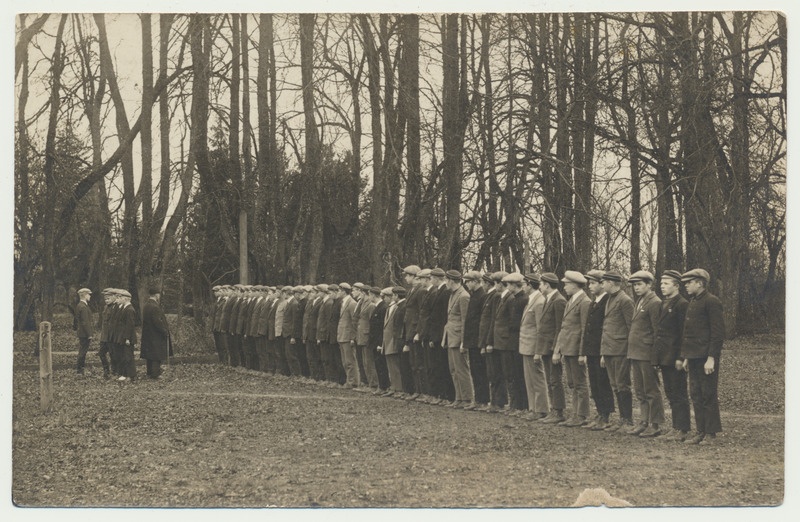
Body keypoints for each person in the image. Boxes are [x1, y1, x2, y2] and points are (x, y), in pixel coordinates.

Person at [680, 268, 724, 445]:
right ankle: (700, 431)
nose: (687, 286)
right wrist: (686, 357)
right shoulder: (693, 302)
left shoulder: (711, 301)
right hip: (694, 357)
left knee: (708, 394)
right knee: (696, 394)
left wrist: (711, 357)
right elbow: (688, 333)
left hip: (706, 358)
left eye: (689, 283)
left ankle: (711, 433)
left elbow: (717, 333)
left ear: (700, 283)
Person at [626, 270, 666, 437]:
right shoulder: (640, 301)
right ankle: (644, 421)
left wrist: (655, 356)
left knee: (651, 389)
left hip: (647, 353)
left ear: (649, 285)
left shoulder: (654, 302)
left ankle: (655, 424)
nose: (636, 287)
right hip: (635, 352)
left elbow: (658, 331)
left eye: (640, 284)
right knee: (640, 389)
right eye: (634, 285)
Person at [655, 270, 691, 441]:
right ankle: (675, 426)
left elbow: (684, 333)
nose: (662, 286)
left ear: (677, 286)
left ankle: (682, 429)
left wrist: (681, 357)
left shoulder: (681, 304)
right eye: (661, 284)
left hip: (674, 357)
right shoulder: (664, 303)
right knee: (670, 392)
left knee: (679, 392)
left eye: (666, 283)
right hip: (664, 356)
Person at [553, 271, 591, 427]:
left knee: (580, 382)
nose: (564, 287)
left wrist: (582, 352)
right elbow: (564, 328)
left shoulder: (584, 302)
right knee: (572, 383)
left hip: (576, 349)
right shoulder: (571, 301)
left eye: (567, 284)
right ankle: (575, 413)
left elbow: (584, 329)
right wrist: (558, 349)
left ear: (575, 285)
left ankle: (581, 415)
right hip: (568, 348)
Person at [600, 270, 635, 431]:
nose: (602, 284)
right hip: (609, 349)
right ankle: (622, 419)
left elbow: (631, 327)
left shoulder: (625, 300)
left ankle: (627, 420)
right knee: (615, 385)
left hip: (620, 350)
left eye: (604, 281)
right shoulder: (610, 299)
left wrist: (629, 351)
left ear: (612, 283)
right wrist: (603, 352)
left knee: (622, 385)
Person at [582, 270, 615, 430]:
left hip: (601, 349)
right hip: (591, 349)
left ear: (602, 284)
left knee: (603, 382)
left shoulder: (607, 301)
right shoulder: (594, 302)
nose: (590, 286)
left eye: (593, 283)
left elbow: (605, 328)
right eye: (589, 283)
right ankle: (599, 412)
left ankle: (605, 415)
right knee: (594, 382)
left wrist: (603, 351)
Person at [536, 272, 567, 423]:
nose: (540, 287)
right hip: (546, 347)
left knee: (555, 380)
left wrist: (557, 350)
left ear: (547, 285)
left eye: (541, 284)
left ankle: (558, 411)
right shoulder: (549, 299)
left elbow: (559, 328)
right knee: (550, 379)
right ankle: (554, 409)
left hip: (552, 348)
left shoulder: (559, 301)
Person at [442, 270, 474, 409]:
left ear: (452, 281)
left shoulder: (463, 296)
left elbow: (465, 320)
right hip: (451, 337)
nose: (445, 283)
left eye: (447, 280)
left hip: (458, 338)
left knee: (462, 369)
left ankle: (467, 398)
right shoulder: (453, 294)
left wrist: (463, 341)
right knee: (453, 369)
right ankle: (459, 397)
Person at [519, 273, 547, 420]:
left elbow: (540, 328)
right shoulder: (532, 300)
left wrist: (538, 351)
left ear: (530, 285)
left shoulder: (539, 302)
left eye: (524, 284)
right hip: (526, 345)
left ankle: (541, 409)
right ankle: (533, 408)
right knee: (529, 379)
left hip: (533, 347)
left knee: (536, 378)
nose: (522, 287)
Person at [462, 271, 489, 409]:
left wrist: (481, 341)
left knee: (480, 371)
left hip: (478, 340)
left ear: (475, 281)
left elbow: (481, 321)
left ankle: (483, 400)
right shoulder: (474, 296)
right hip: (472, 340)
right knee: (475, 370)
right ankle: (479, 399)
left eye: (468, 281)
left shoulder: (482, 296)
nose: (466, 284)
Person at [140, 284, 173, 379]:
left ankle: (149, 373)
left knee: (150, 355)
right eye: (159, 294)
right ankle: (155, 374)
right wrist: (164, 331)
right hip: (156, 335)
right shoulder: (155, 307)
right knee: (156, 355)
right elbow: (157, 322)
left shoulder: (146, 305)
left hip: (148, 335)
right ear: (156, 295)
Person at [337, 283, 360, 388]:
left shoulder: (351, 303)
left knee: (350, 360)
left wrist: (352, 337)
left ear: (343, 291)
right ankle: (349, 380)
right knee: (345, 361)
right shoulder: (343, 302)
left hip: (347, 336)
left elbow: (354, 322)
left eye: (339, 290)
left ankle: (353, 381)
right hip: (342, 335)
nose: (338, 293)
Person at [116, 290, 138, 382]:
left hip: (127, 337)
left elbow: (130, 325)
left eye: (121, 297)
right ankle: (125, 374)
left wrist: (127, 338)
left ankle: (131, 375)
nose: (119, 299)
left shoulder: (129, 309)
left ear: (125, 298)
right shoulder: (125, 308)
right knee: (124, 356)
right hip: (123, 336)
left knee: (129, 357)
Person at [74, 288, 94, 376]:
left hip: (81, 332)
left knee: (82, 351)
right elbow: (85, 322)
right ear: (84, 295)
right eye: (88, 294)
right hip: (84, 333)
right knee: (83, 352)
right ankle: (80, 370)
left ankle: (80, 370)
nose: (90, 296)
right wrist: (89, 334)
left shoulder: (79, 305)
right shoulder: (83, 306)